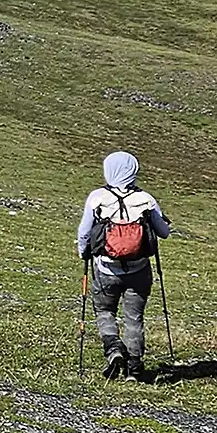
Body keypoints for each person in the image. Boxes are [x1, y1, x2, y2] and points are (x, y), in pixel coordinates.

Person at [77, 151, 172, 381]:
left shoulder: (97, 197)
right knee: (134, 317)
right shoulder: (146, 200)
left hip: (106, 269)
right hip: (139, 270)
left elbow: (84, 233)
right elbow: (164, 233)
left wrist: (83, 254)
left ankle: (113, 348)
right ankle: (135, 368)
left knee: (104, 311)